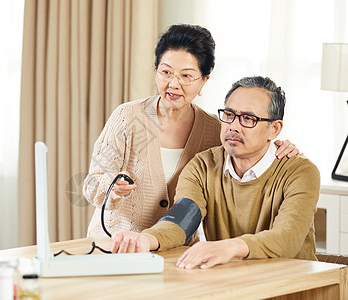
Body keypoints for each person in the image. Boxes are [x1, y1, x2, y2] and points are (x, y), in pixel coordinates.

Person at [83, 24, 300, 239]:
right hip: (115, 243)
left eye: (186, 76)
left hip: (178, 251)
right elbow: (91, 183)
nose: (173, 84)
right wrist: (111, 185)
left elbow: (247, 159)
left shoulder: (216, 130)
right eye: (165, 72)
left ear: (204, 80)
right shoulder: (127, 118)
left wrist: (275, 149)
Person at [110, 76, 320, 270]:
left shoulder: (300, 172)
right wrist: (145, 240)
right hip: (230, 281)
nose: (233, 126)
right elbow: (181, 220)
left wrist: (231, 247)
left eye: (248, 118)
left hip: (294, 284)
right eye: (229, 115)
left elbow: (288, 237)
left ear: (274, 129)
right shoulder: (202, 165)